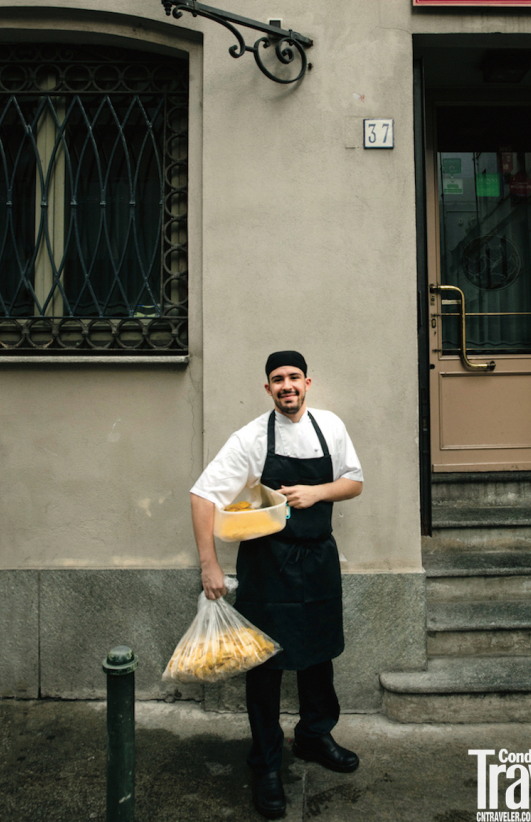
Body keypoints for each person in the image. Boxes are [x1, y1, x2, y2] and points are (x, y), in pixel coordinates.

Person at [190, 350, 363, 819]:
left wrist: (317, 492)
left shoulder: (331, 426)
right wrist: (209, 564)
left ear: (308, 382)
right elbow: (203, 494)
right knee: (265, 664)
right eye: (276, 380)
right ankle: (265, 762)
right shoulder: (250, 438)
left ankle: (313, 736)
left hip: (319, 559)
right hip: (268, 565)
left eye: (293, 377)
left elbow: (354, 480)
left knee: (319, 653)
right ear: (267, 389)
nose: (286, 386)